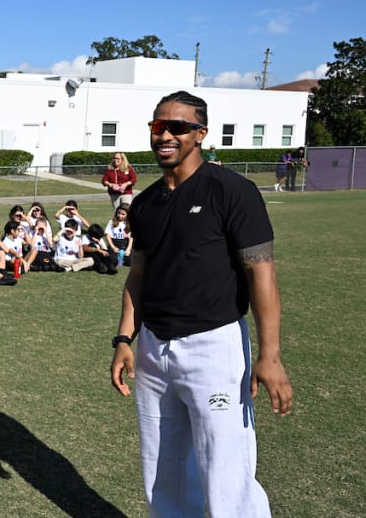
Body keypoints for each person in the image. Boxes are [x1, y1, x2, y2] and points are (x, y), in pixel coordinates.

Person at [110, 90, 293, 517]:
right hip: (154, 349)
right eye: (158, 126)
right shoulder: (145, 204)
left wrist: (270, 355)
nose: (165, 135)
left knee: (226, 471)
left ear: (201, 134)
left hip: (214, 347)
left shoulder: (232, 190)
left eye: (178, 127)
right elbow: (139, 276)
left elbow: (261, 272)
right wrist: (123, 338)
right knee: (163, 472)